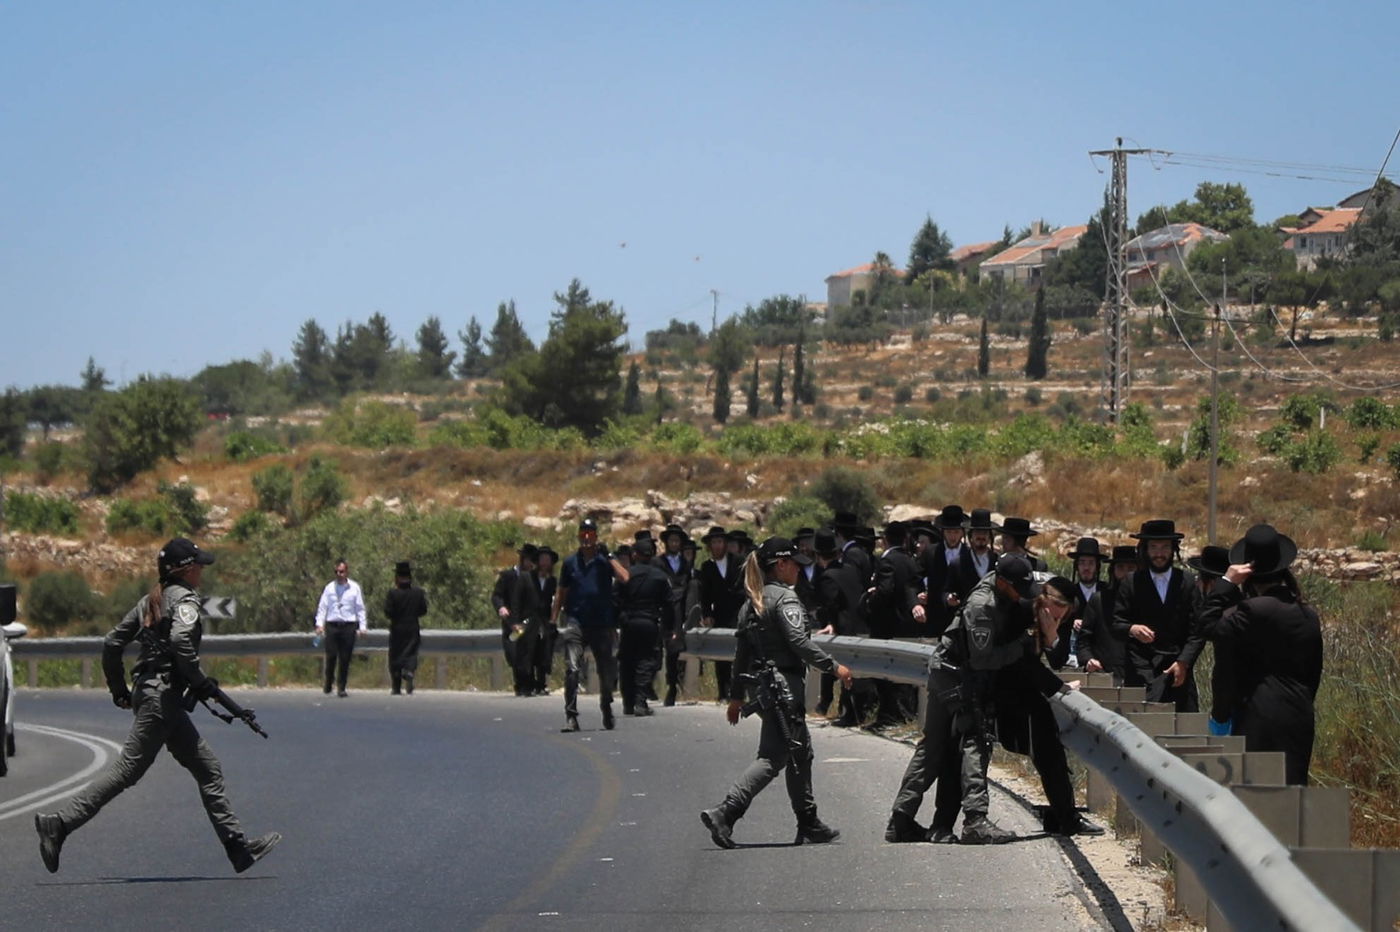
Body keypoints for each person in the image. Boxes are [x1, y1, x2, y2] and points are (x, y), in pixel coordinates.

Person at [34, 538, 280, 874]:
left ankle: (238, 849)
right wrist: (197, 679)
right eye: (199, 566)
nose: (202, 572)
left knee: (208, 768)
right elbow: (180, 640)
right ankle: (59, 824)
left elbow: (112, 643)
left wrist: (120, 689)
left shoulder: (152, 599)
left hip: (154, 696)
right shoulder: (186, 600)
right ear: (187, 569)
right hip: (162, 699)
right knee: (126, 772)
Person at [888, 555, 1064, 845]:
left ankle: (901, 818)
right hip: (956, 675)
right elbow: (983, 659)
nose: (1021, 594)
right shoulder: (982, 606)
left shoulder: (996, 585)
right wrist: (1020, 647)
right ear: (1004, 583)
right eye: (1017, 587)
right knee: (976, 737)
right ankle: (975, 820)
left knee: (932, 748)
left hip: (949, 670)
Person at [700, 538, 854, 849]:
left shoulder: (751, 603)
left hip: (765, 688)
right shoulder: (785, 600)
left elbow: (740, 656)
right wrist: (833, 667)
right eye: (794, 562)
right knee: (774, 757)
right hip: (783, 689)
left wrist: (735, 697)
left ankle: (808, 820)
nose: (799, 568)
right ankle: (726, 812)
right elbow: (799, 642)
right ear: (780, 565)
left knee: (800, 753)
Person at [1198, 525, 1322, 785]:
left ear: (1249, 573)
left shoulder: (1249, 611)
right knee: (1292, 796)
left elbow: (1207, 627)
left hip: (1256, 715)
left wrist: (1226, 583)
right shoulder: (1308, 614)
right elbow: (1313, 673)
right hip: (1299, 715)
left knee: (1257, 797)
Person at [990, 575, 1104, 837]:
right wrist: (1057, 687)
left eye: (1063, 613)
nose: (1058, 616)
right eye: (1056, 610)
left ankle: (1064, 816)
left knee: (1050, 753)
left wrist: (1053, 633)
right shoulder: (1024, 613)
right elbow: (1026, 663)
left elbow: (1056, 659)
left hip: (1023, 691)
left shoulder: (1047, 618)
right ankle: (1064, 816)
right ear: (1047, 600)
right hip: (1000, 691)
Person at [1112, 519, 1205, 710]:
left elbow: (1197, 631)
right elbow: (1116, 623)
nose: (1159, 554)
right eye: (1153, 547)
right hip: (1141, 671)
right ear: (1145, 550)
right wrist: (1132, 628)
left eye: (1164, 547)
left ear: (1173, 549)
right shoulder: (1131, 582)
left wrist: (1183, 662)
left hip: (1178, 672)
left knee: (1183, 733)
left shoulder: (1187, 582)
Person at [553, 519, 630, 732]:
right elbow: (562, 593)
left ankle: (606, 705)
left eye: (590, 533)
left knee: (606, 672)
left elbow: (625, 577)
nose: (586, 537)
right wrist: (553, 620)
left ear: (596, 537)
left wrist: (610, 557)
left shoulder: (604, 561)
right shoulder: (570, 563)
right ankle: (571, 716)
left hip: (602, 624)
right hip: (576, 621)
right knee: (573, 668)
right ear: (579, 536)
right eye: (583, 533)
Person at [617, 538, 671, 716]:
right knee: (645, 661)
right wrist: (669, 628)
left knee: (627, 661)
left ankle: (628, 702)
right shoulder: (660, 577)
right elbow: (669, 604)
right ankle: (640, 702)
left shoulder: (625, 575)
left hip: (629, 623)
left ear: (635, 555)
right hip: (649, 623)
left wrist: (618, 620)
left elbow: (614, 600)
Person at [1186, 546, 1235, 733]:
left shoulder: (1231, 617)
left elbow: (1203, 626)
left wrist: (1220, 715)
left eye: (1201, 579)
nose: (1197, 584)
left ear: (1212, 583)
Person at [1076, 545, 1136, 683]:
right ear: (1113, 571)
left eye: (1131, 568)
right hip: (1104, 674)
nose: (1126, 573)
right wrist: (1089, 660)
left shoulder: (1147, 601)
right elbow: (1084, 640)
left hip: (1139, 676)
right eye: (1121, 568)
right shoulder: (1099, 600)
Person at [698, 526, 744, 702]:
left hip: (737, 613)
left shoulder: (738, 561)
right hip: (719, 614)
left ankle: (737, 691)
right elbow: (705, 594)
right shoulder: (707, 567)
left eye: (720, 542)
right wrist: (706, 613)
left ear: (725, 544)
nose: (717, 545)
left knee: (737, 653)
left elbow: (744, 587)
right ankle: (722, 691)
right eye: (714, 542)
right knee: (721, 656)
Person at [493, 545, 541, 697]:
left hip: (529, 622)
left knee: (530, 653)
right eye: (529, 560)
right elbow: (496, 595)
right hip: (512, 623)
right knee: (514, 654)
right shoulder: (509, 576)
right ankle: (520, 683)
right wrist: (501, 607)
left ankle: (527, 685)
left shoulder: (535, 578)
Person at [315, 558, 367, 697]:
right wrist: (320, 624)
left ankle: (341, 686)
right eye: (337, 571)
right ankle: (328, 681)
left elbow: (360, 608)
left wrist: (362, 626)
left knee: (345, 658)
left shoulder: (354, 588)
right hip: (332, 625)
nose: (339, 574)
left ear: (347, 572)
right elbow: (322, 607)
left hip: (348, 626)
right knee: (331, 656)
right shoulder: (329, 588)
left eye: (342, 571)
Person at [656, 524, 693, 706]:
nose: (674, 543)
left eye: (677, 540)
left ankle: (673, 686)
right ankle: (657, 685)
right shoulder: (659, 562)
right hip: (664, 609)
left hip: (679, 610)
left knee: (674, 650)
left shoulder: (685, 564)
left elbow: (687, 585)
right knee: (662, 650)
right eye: (671, 540)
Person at [384, 560, 428, 695]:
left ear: (397, 577)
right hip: (412, 627)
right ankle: (409, 671)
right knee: (411, 652)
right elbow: (423, 610)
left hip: (397, 628)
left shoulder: (393, 594)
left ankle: (396, 686)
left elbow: (388, 612)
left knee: (396, 656)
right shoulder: (418, 593)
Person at [531, 547, 560, 695]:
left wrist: (553, 620)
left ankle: (542, 683)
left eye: (547, 560)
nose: (544, 563)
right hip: (530, 620)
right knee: (531, 651)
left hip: (546, 620)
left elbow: (556, 600)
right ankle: (530, 682)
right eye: (542, 559)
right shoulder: (529, 577)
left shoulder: (553, 581)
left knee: (545, 652)